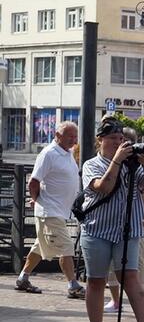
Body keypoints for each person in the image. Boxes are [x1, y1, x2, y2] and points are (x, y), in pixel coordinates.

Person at [79, 118, 144, 322]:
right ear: (100, 140)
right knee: (96, 280)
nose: (117, 143)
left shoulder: (132, 164)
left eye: (121, 139)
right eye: (112, 138)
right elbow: (104, 187)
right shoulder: (92, 165)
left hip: (127, 229)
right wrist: (118, 161)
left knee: (129, 277)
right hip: (97, 229)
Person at [16, 122, 84, 299]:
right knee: (66, 247)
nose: (74, 140)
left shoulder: (67, 153)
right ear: (57, 135)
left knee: (40, 246)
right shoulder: (48, 154)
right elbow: (34, 181)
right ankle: (73, 285)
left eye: (75, 136)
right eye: (70, 136)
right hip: (50, 211)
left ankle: (23, 278)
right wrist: (37, 199)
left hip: (56, 211)